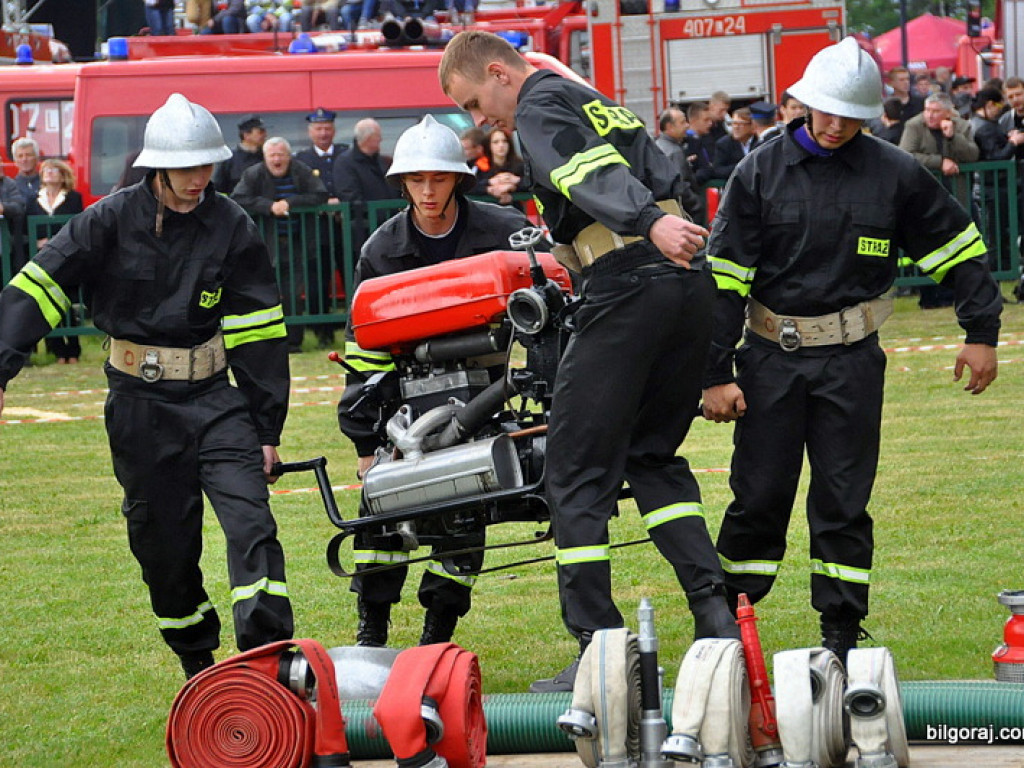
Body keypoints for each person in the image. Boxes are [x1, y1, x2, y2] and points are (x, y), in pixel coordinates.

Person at [440, 30, 741, 693]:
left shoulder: (542, 105)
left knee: (573, 471)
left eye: (473, 103)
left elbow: (584, 173)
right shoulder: (589, 98)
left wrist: (643, 221)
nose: (478, 121)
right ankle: (718, 620)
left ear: (498, 72)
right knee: (652, 457)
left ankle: (599, 650)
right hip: (685, 287)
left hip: (630, 278)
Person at [701, 38, 1001, 665]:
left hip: (852, 361)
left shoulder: (894, 173)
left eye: (851, 116)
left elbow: (960, 250)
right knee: (758, 496)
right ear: (804, 103)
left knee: (842, 500)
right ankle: (731, 630)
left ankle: (839, 634)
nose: (836, 126)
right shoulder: (758, 170)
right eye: (826, 111)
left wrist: (980, 335)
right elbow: (723, 280)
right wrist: (713, 371)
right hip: (769, 360)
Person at [0, 94, 295, 680]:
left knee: (252, 524)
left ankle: (264, 663)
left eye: (207, 166)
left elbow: (259, 331)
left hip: (216, 402)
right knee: (163, 549)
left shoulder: (232, 225)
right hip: (139, 407)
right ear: (156, 165)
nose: (198, 180)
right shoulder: (106, 219)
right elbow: (37, 290)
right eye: (186, 168)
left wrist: (266, 429)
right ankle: (196, 665)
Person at [338, 115, 533, 648]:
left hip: (487, 397)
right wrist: (366, 438)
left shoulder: (503, 231)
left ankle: (436, 634)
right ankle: (371, 630)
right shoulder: (381, 251)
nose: (428, 191)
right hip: (407, 401)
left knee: (465, 511)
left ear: (458, 180)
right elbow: (364, 350)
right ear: (401, 183)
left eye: (439, 179)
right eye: (416, 180)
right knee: (378, 513)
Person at [232, 137, 329, 352]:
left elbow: (320, 194)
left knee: (293, 293)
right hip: (265, 244)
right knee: (266, 293)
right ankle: (269, 340)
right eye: (272, 155)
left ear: (288, 156)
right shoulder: (253, 173)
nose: (277, 159)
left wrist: (290, 203)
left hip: (297, 243)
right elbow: (238, 198)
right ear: (265, 157)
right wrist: (268, 207)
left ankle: (294, 342)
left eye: (281, 155)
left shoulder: (301, 170)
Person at [899, 91, 979, 309]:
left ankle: (960, 292)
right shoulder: (914, 126)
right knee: (929, 245)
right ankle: (929, 295)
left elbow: (973, 155)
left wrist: (953, 137)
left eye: (935, 111)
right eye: (927, 110)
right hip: (924, 197)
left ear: (948, 112)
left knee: (961, 243)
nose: (930, 115)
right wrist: (939, 162)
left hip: (957, 194)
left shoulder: (961, 126)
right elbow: (905, 154)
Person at [26, 158, 83, 364]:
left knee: (69, 303)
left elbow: (77, 225)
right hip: (42, 260)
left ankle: (74, 351)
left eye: (53, 169)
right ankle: (59, 351)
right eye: (46, 170)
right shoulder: (33, 199)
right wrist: (37, 241)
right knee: (50, 304)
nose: (49, 173)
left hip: (68, 258)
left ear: (63, 174)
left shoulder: (74, 198)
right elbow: (26, 230)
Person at [333, 118, 393, 258]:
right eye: (378, 136)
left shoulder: (381, 161)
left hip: (387, 229)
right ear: (368, 138)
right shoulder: (345, 163)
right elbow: (350, 196)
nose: (381, 139)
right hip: (363, 232)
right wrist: (379, 213)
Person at [654, 105, 706, 225]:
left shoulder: (658, 145)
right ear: (669, 127)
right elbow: (681, 185)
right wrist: (697, 204)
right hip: (683, 214)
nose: (687, 125)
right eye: (682, 122)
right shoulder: (674, 152)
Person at [470, 126, 527, 206]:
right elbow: (468, 185)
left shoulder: (520, 165)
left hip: (515, 212)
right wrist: (490, 187)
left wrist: (515, 183)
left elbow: (533, 183)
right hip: (487, 211)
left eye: (504, 141)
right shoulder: (479, 165)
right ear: (489, 145)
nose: (501, 145)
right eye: (496, 142)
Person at [214, 114, 268, 194]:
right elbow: (218, 188)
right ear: (246, 135)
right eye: (260, 132)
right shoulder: (229, 159)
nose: (265, 135)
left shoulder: (268, 157)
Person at [710, 106, 757, 181]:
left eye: (740, 124)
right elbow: (717, 170)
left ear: (752, 126)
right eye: (734, 123)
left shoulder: (760, 141)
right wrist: (743, 166)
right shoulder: (723, 144)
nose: (736, 127)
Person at [12, 137, 41, 203]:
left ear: (37, 158)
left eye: (28, 155)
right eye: (20, 156)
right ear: (15, 161)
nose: (24, 159)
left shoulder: (48, 184)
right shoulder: (9, 187)